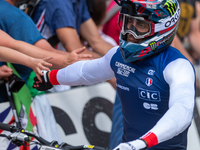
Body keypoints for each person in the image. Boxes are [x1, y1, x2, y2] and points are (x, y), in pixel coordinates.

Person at [33, 0, 196, 149]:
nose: (130, 31)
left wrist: (142, 142)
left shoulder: (177, 65)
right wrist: (51, 78)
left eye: (140, 25)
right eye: (128, 21)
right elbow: (86, 71)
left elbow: (182, 111)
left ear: (163, 28)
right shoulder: (118, 56)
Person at [31, 0, 113, 58]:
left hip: (58, 65)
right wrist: (112, 65)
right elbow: (76, 50)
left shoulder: (79, 1)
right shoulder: (60, 2)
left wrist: (123, 58)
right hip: (37, 70)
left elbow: (97, 41)